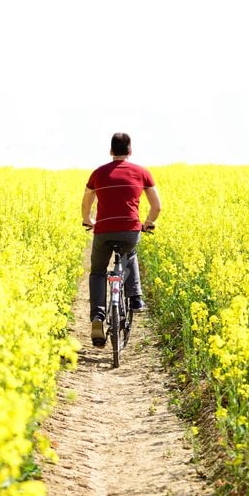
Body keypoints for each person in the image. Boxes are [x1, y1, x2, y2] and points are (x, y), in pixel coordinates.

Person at [81, 132, 162, 347]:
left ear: (110, 151)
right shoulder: (142, 173)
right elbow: (157, 206)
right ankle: (135, 297)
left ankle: (98, 317)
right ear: (130, 151)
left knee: (98, 271)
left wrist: (87, 220)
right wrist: (148, 222)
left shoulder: (98, 174)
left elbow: (86, 202)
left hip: (104, 229)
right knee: (130, 253)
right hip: (130, 229)